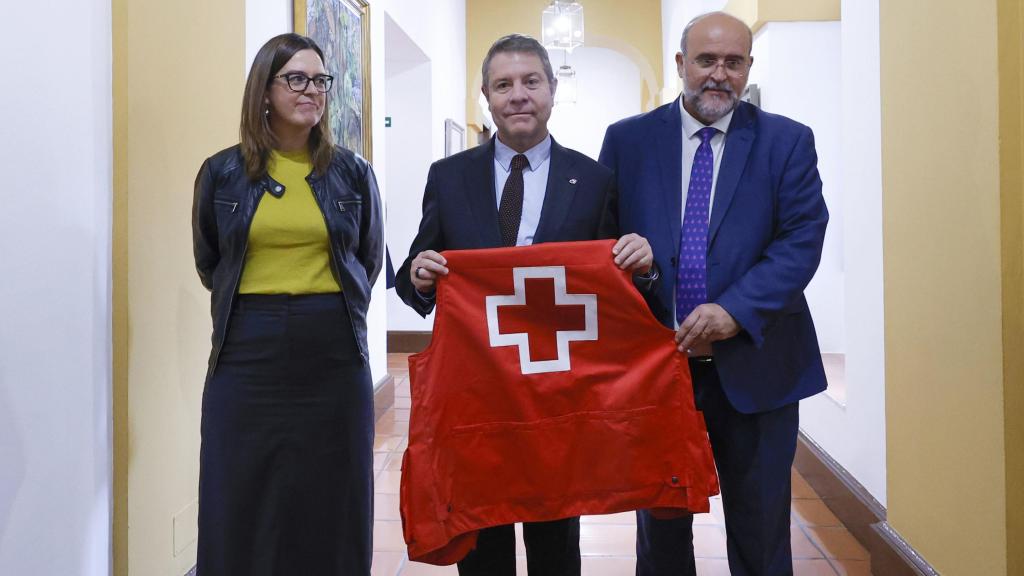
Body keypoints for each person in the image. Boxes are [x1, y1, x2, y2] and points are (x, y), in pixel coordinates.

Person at [396, 34, 654, 576]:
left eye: (530, 82)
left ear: (552, 91)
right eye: (503, 85)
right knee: (482, 527)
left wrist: (642, 266)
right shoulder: (450, 176)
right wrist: (420, 276)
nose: (518, 95)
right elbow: (418, 266)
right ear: (486, 98)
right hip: (478, 392)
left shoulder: (594, 180)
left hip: (557, 393)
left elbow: (614, 291)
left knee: (555, 531)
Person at [599, 12, 829, 576]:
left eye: (733, 62)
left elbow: (801, 241)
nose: (718, 75)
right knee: (661, 531)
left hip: (758, 367)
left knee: (760, 529)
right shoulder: (628, 141)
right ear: (681, 65)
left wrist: (734, 310)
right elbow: (601, 242)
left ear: (748, 67)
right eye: (706, 60)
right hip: (658, 371)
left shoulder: (787, 142)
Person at [191, 33, 383, 575]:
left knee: (335, 489)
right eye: (295, 78)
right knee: (239, 485)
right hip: (246, 347)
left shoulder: (353, 173)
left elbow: (367, 262)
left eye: (320, 79)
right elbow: (212, 260)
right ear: (265, 91)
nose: (312, 90)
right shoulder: (222, 172)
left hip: (333, 347)